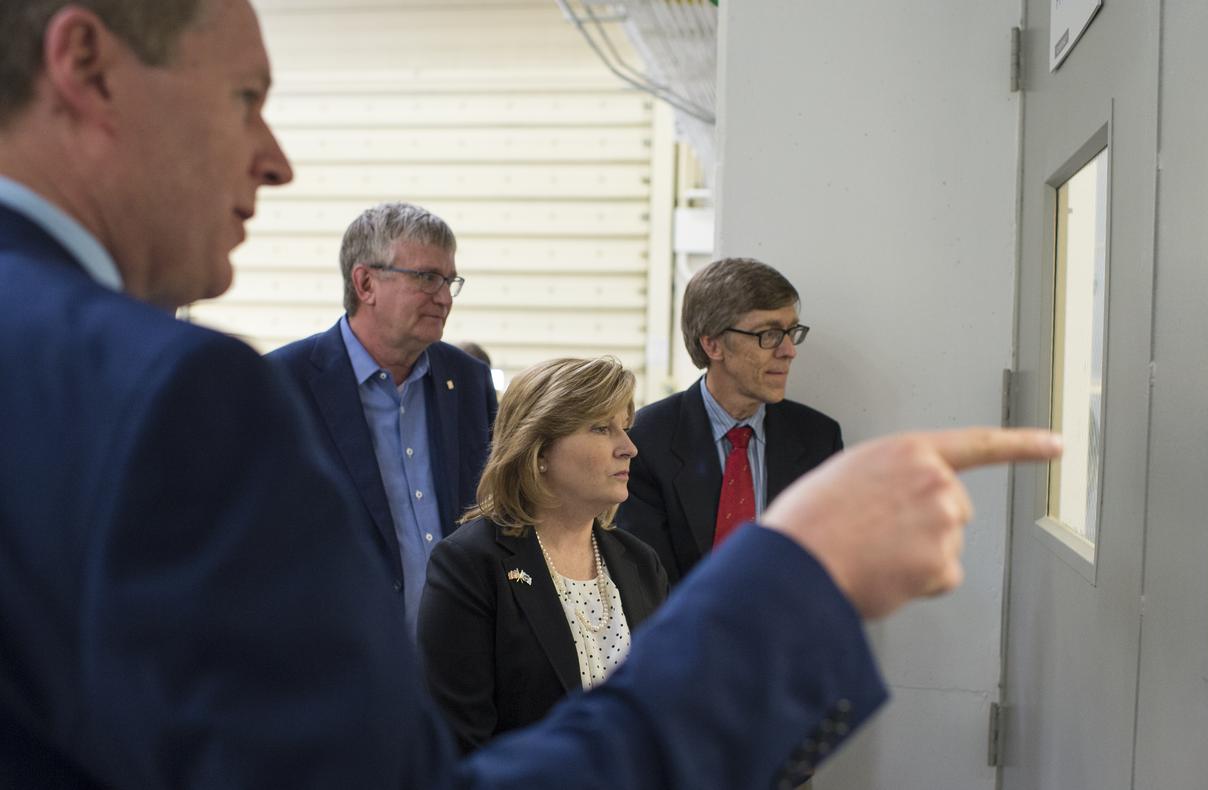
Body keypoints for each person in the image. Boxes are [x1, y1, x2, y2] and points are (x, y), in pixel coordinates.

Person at [0, 1, 1063, 786]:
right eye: (245, 97)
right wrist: (799, 580)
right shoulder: (176, 397)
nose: (274, 161)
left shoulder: (505, 427)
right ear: (84, 63)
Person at [268, 202, 497, 645]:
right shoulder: (283, 385)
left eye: (450, 281)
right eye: (427, 278)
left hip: (455, 669)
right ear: (366, 282)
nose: (445, 297)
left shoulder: (466, 381)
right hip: (338, 660)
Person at [420, 357, 667, 752]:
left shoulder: (641, 563)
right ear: (539, 452)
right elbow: (458, 744)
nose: (629, 448)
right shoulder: (470, 565)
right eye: (602, 428)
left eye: (627, 428)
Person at [617, 257, 844, 583]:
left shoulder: (819, 440)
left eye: (791, 332)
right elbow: (648, 586)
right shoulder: (646, 441)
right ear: (712, 344)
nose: (788, 351)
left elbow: (828, 568)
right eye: (768, 334)